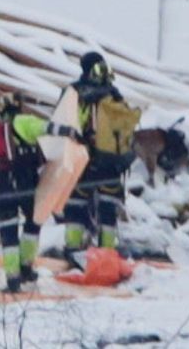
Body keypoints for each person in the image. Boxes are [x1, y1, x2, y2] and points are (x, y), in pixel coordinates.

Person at [56, 51, 137, 262]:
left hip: (82, 159)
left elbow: (60, 125)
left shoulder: (74, 92)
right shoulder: (114, 93)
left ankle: (73, 249)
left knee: (75, 204)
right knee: (108, 207)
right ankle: (107, 252)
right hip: (111, 163)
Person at [0, 92, 47, 292]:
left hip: (3, 188)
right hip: (26, 185)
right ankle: (26, 268)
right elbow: (45, 128)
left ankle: (12, 279)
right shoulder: (23, 122)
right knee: (33, 224)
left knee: (8, 235)